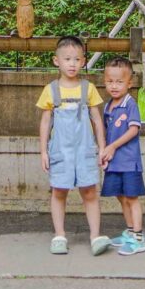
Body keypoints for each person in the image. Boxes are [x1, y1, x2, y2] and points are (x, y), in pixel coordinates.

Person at [37, 35, 110, 256]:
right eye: (67, 59)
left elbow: (97, 120)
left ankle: (95, 236)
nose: (72, 63)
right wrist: (43, 151)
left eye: (77, 59)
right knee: (59, 191)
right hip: (60, 151)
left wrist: (102, 147)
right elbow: (45, 121)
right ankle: (59, 235)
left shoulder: (88, 89)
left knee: (89, 192)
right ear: (56, 61)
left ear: (84, 61)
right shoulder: (51, 90)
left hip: (84, 150)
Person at [100, 57, 145, 255]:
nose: (114, 86)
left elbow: (133, 130)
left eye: (119, 82)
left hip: (128, 162)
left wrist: (112, 147)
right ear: (105, 81)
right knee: (121, 198)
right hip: (114, 162)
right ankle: (129, 231)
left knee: (132, 198)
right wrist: (104, 152)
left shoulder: (130, 104)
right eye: (110, 81)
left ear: (129, 83)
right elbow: (104, 133)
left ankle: (138, 237)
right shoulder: (108, 106)